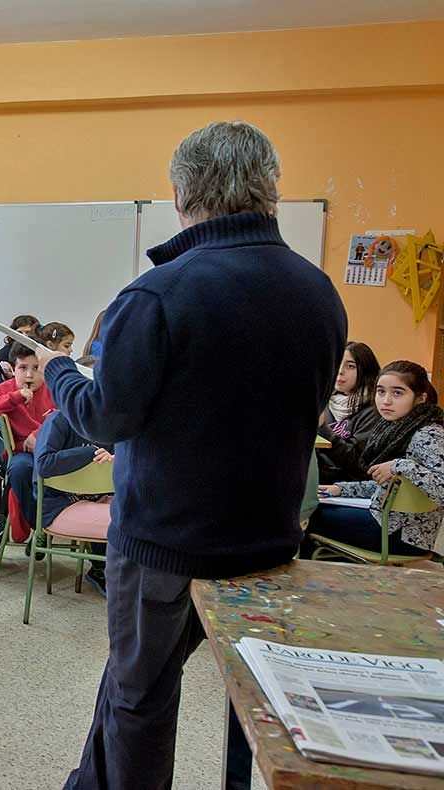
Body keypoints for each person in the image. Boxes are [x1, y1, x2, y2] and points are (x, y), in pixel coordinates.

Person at [34, 120, 346, 790]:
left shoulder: (157, 295)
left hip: (165, 545)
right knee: (240, 702)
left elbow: (105, 420)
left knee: (139, 695)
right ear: (269, 192)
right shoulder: (317, 291)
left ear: (181, 197)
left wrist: (58, 368)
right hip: (268, 541)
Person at [312, 361, 444, 556]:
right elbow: (394, 487)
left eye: (397, 393)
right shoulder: (395, 428)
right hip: (387, 522)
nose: (386, 401)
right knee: (312, 509)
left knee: (307, 516)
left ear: (420, 398)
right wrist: (342, 488)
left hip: (402, 535)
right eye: (381, 392)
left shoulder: (428, 433)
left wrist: (398, 465)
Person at [0, 342, 57, 543]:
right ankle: (40, 527)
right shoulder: (6, 390)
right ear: (13, 369)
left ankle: (52, 524)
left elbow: (70, 416)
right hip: (22, 454)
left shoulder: (54, 389)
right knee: (18, 470)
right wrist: (13, 398)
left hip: (54, 452)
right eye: (23, 368)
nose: (29, 375)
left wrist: (39, 434)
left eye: (36, 369)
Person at [34, 409, 114, 595]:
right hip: (58, 504)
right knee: (125, 522)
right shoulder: (59, 420)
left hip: (97, 497)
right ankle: (104, 569)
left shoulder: (113, 424)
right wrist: (89, 453)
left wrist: (113, 461)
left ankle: (105, 568)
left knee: (140, 514)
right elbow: (44, 464)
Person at [317, 341, 381, 484]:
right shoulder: (326, 401)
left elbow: (359, 464)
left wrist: (323, 429)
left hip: (345, 486)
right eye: (337, 363)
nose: (340, 371)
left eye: (350, 366)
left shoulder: (374, 411)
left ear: (365, 370)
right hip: (318, 477)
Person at [0, 314, 39, 381]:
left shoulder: (42, 350)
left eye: (28, 332)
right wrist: (0, 367)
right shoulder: (7, 350)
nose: (24, 336)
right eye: (19, 333)